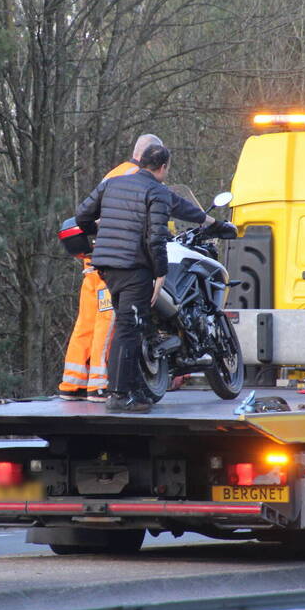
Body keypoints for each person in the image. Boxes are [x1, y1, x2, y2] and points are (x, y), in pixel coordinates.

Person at [74, 143, 230, 412]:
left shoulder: (113, 184)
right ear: (163, 167)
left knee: (131, 325)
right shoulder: (156, 191)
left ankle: (135, 391)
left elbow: (81, 215)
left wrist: (97, 233)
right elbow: (156, 237)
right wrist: (160, 273)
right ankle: (119, 396)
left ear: (140, 161)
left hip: (107, 267)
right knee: (128, 329)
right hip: (134, 268)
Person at [57, 133, 161, 402]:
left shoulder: (115, 173)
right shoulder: (136, 177)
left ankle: (73, 384)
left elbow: (89, 213)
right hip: (117, 259)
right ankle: (100, 384)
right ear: (150, 155)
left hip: (94, 259)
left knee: (86, 324)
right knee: (109, 322)